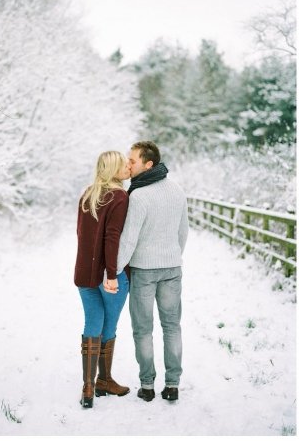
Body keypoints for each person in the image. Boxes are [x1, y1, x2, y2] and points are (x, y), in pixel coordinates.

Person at [117, 141, 189, 403]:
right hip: (172, 267)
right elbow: (183, 233)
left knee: (143, 329)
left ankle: (147, 386)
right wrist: (172, 255)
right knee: (172, 327)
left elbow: (129, 240)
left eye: (132, 161)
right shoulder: (177, 191)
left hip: (144, 270)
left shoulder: (139, 195)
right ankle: (172, 385)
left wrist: (113, 270)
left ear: (149, 164)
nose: (128, 165)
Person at [73, 150, 132, 408]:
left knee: (93, 322)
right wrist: (111, 275)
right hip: (110, 275)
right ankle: (104, 380)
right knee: (108, 326)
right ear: (113, 170)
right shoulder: (119, 196)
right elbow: (112, 237)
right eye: (123, 165)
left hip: (85, 273)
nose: (128, 168)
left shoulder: (88, 194)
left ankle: (88, 386)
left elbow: (81, 234)